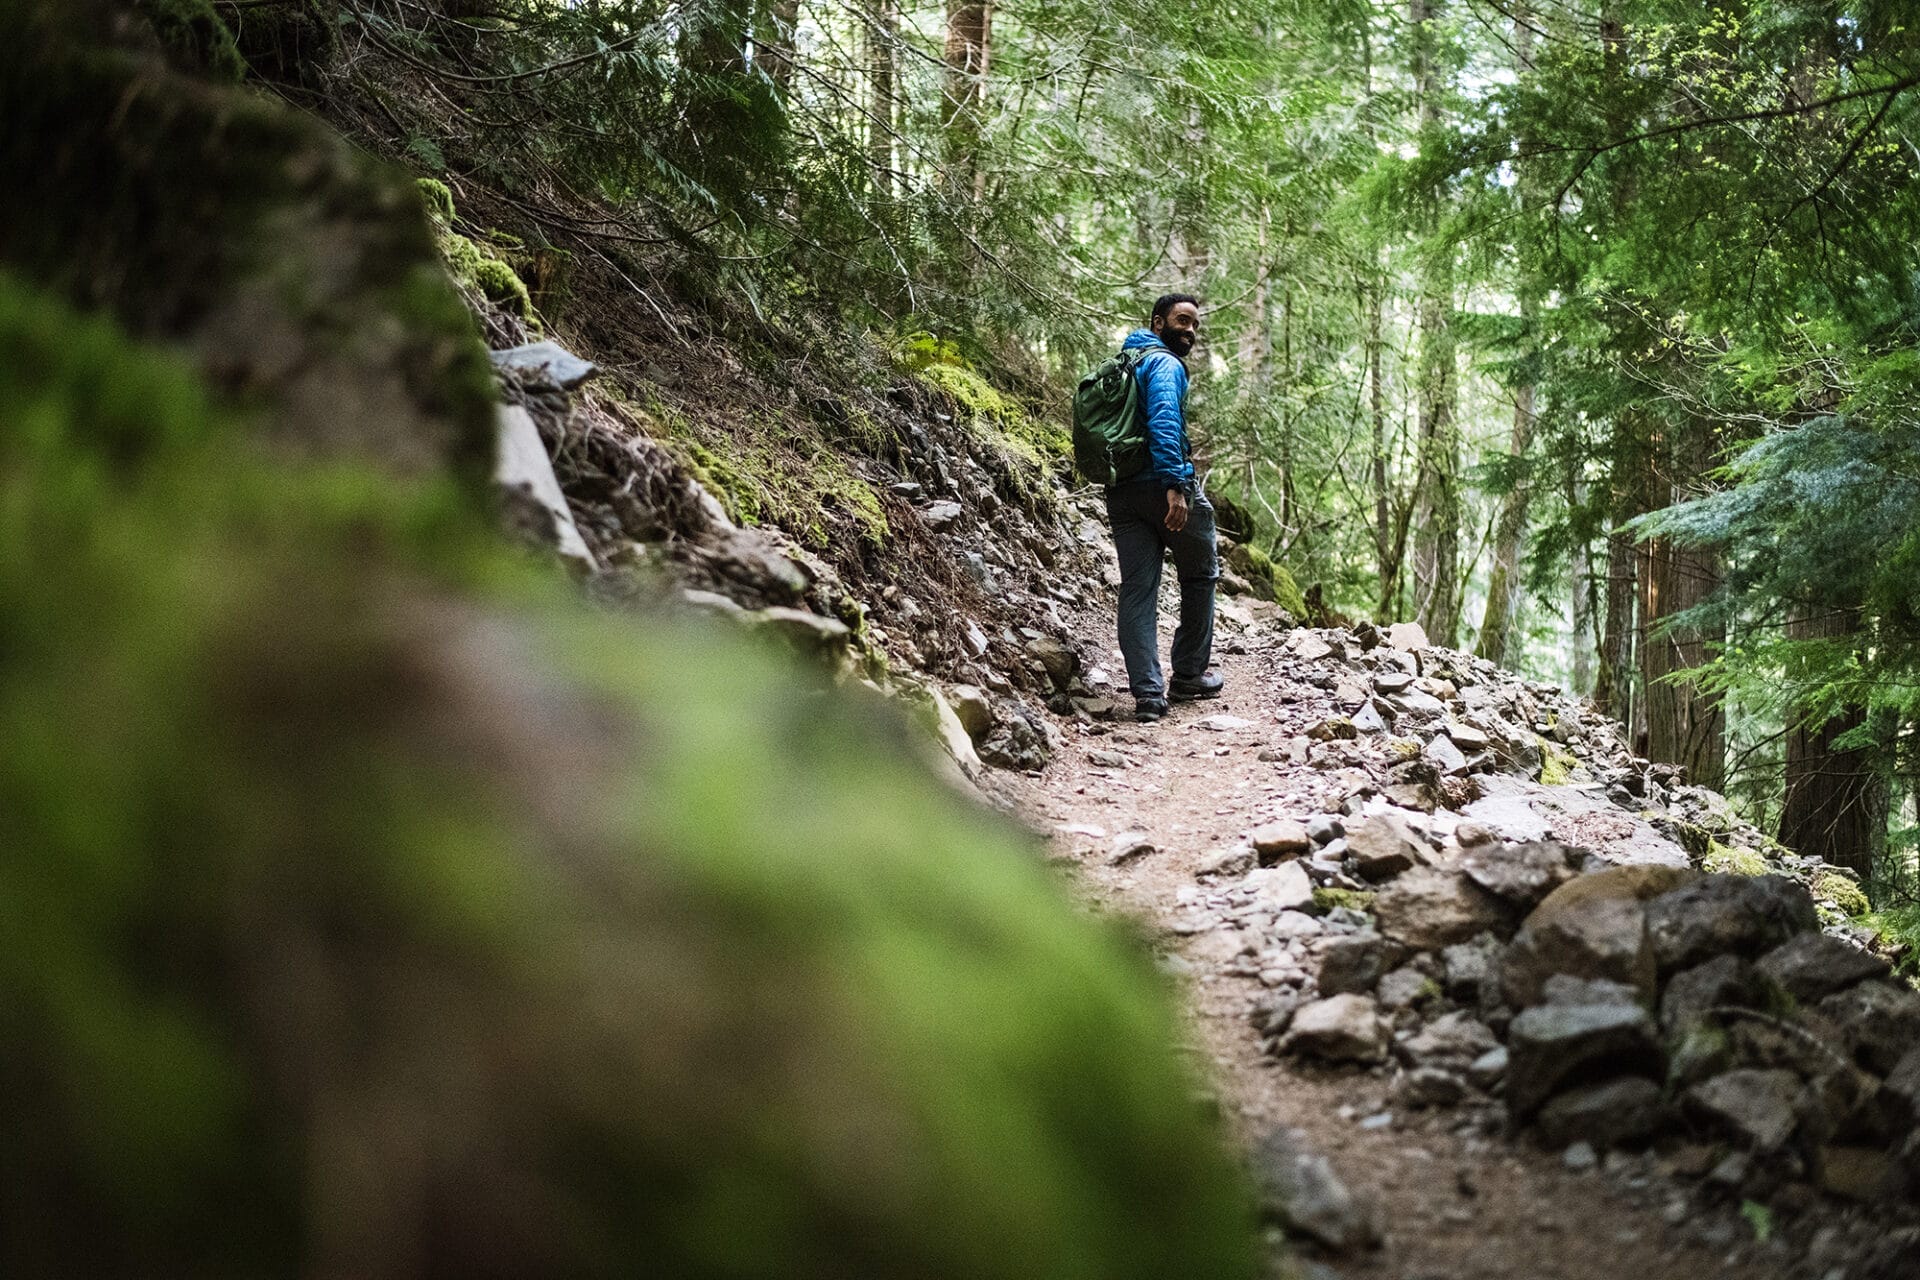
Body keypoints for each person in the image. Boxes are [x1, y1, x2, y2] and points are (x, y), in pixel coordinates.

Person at [1106, 293, 1221, 722]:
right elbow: (1164, 419)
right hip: (1162, 484)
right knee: (1200, 573)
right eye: (1181, 321)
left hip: (1122, 491)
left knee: (1137, 588)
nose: (1189, 330)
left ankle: (1148, 696)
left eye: (1195, 324)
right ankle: (1189, 674)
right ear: (1158, 323)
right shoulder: (1165, 364)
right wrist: (1176, 485)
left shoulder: (1124, 362)